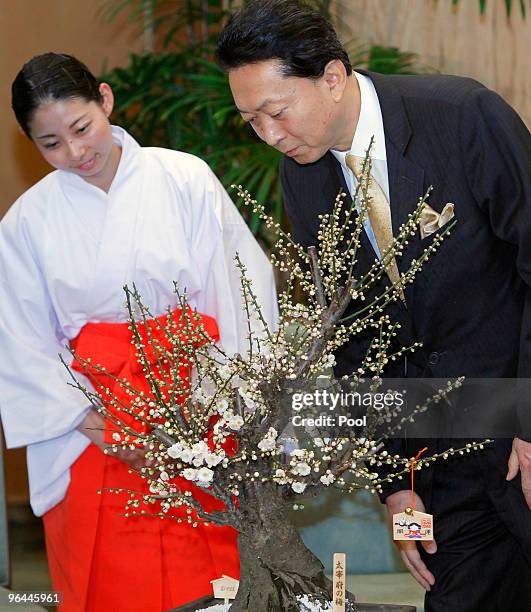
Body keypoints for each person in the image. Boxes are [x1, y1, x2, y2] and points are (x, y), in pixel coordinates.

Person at [215, 1, 531, 611]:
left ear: (331, 77)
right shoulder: (302, 178)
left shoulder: (462, 117)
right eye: (252, 121)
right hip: (441, 465)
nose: (271, 136)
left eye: (277, 113)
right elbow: (356, 337)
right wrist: (396, 488)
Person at [0, 52, 278, 612]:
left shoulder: (183, 177)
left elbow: (236, 286)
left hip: (198, 403)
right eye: (51, 143)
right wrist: (103, 429)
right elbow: (22, 342)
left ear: (105, 100)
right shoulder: (26, 222)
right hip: (91, 421)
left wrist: (217, 405)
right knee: (110, 580)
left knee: (210, 571)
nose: (75, 153)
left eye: (82, 128)